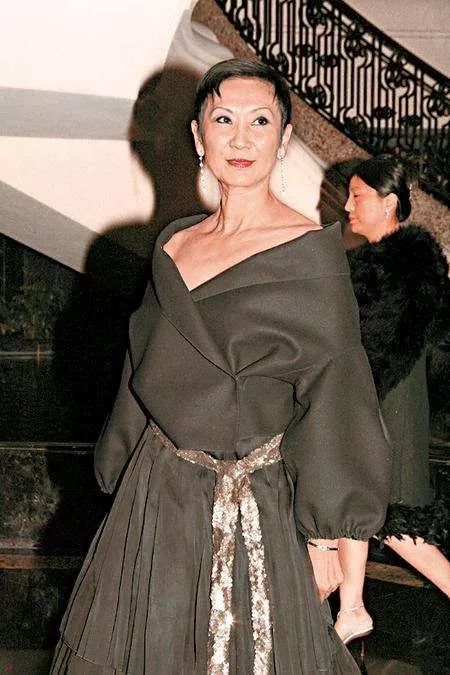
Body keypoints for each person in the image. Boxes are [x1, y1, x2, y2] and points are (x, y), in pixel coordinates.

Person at [51, 58, 392, 674]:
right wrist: (119, 472)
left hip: (252, 509)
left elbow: (338, 398)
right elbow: (140, 375)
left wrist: (328, 541)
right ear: (198, 135)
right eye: (224, 119)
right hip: (155, 497)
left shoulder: (310, 256)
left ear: (284, 139)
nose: (241, 138)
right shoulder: (174, 245)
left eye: (260, 121)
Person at [334, 156, 450, 646]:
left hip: (389, 402)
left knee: (391, 522)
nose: (347, 205)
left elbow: (373, 348)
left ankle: (349, 608)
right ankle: (346, 609)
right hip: (389, 400)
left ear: (388, 203)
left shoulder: (393, 270)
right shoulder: (402, 265)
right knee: (361, 510)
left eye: (357, 195)